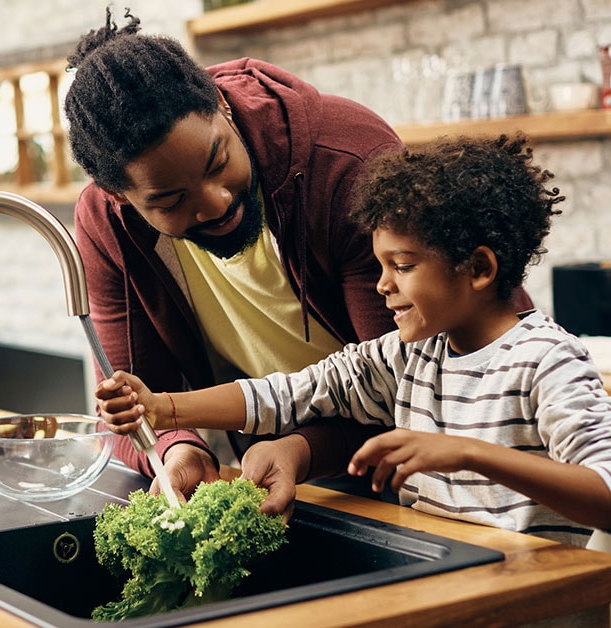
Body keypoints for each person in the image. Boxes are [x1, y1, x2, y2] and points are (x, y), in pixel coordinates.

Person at [64, 9, 532, 505]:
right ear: (121, 199)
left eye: (218, 162)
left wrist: (300, 450)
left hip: (454, 467)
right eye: (170, 201)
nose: (216, 202)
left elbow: (419, 390)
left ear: (222, 106)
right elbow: (141, 404)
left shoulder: (344, 165)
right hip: (301, 469)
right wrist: (177, 445)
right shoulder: (107, 226)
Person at [95, 133, 611, 546]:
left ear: (478, 268)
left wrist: (466, 453)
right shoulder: (407, 356)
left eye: (402, 266)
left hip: (541, 603)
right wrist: (164, 408)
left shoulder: (547, 359)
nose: (383, 284)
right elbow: (288, 393)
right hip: (448, 584)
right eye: (382, 264)